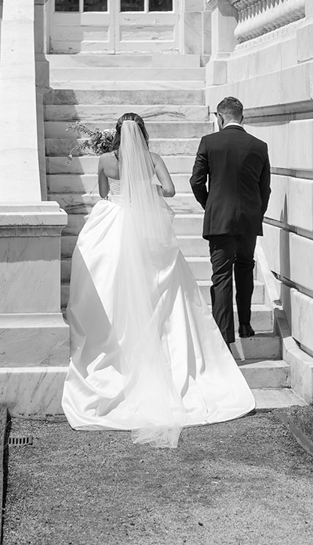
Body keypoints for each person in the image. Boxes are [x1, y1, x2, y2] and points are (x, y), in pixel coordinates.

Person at [61, 112, 255, 448]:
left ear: (117, 135)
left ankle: (117, 348)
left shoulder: (106, 160)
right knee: (161, 291)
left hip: (116, 228)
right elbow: (169, 189)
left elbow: (105, 195)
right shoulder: (153, 159)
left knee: (111, 287)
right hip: (147, 230)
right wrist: (145, 184)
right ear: (144, 134)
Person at [190, 96, 271, 345]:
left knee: (222, 275)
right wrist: (255, 213)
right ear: (241, 117)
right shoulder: (259, 145)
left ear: (220, 117)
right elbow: (265, 188)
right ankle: (245, 325)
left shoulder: (209, 142)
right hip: (248, 220)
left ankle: (225, 337)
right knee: (245, 269)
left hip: (220, 220)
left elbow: (196, 181)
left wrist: (210, 205)